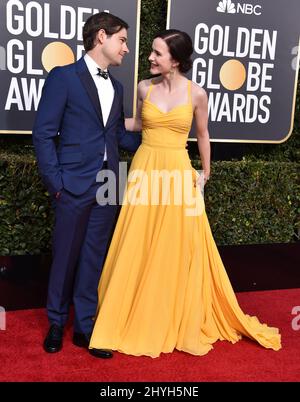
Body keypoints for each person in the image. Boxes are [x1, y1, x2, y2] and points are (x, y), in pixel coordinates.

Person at [89, 29, 281, 358]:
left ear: (175, 60)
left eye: (157, 53)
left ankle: (164, 313)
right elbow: (139, 125)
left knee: (173, 246)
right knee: (139, 240)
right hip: (144, 171)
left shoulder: (197, 95)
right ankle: (125, 310)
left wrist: (205, 173)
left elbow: (203, 135)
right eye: (151, 51)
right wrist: (104, 118)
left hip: (178, 175)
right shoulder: (143, 87)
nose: (149, 57)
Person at [33, 12, 141, 358]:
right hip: (72, 183)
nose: (126, 48)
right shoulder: (63, 77)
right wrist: (57, 183)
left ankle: (85, 326)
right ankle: (55, 322)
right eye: (122, 39)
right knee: (65, 255)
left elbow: (117, 135)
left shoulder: (118, 86)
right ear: (101, 38)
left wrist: (157, 144)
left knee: (94, 258)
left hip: (110, 183)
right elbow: (44, 134)